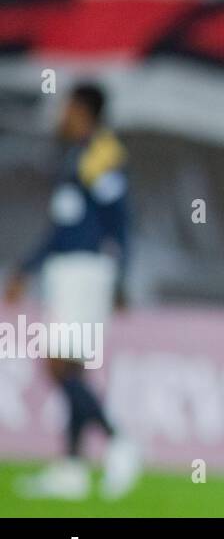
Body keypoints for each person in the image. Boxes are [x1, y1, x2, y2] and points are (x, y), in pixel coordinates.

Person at [5, 83, 140, 500]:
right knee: (72, 367)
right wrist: (27, 268)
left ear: (82, 109)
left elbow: (120, 220)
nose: (61, 114)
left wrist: (120, 277)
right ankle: (73, 469)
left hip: (85, 270)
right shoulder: (74, 155)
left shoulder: (101, 155)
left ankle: (119, 441)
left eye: (67, 106)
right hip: (68, 268)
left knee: (57, 364)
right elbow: (62, 227)